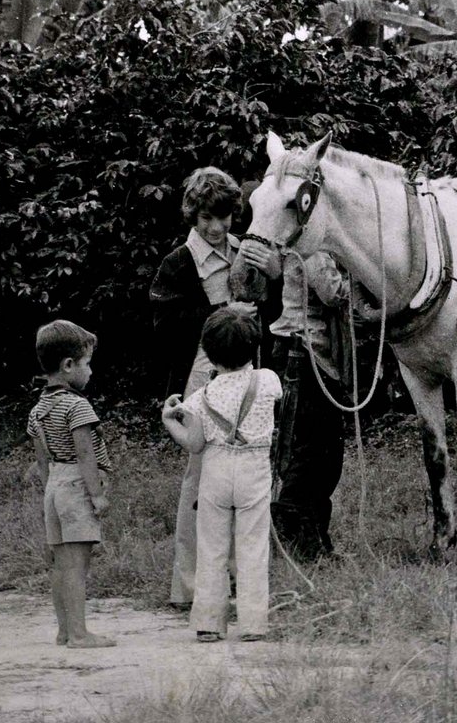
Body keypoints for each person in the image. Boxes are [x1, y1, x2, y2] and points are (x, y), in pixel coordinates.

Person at [149, 167, 280, 609]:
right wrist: (225, 310)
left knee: (247, 478)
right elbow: (164, 326)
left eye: (224, 217)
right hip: (199, 381)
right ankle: (189, 589)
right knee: (201, 482)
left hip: (247, 382)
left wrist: (273, 277)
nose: (216, 227)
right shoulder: (178, 263)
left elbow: (273, 313)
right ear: (192, 215)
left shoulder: (247, 252)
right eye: (207, 218)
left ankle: (241, 582)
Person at [161, 306, 281, 642]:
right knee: (252, 546)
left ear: (209, 354)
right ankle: (254, 623)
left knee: (211, 547)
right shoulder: (268, 380)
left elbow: (195, 444)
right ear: (254, 347)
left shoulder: (200, 397)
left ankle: (208, 623)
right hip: (253, 470)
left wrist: (169, 421)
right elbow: (278, 399)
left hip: (215, 470)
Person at [256, 245, 350, 561]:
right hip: (303, 353)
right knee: (312, 449)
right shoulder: (311, 250)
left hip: (313, 355)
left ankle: (313, 536)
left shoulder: (305, 247)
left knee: (325, 453)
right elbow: (332, 293)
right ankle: (293, 535)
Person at [26, 319, 115, 649]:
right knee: (78, 566)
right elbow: (85, 454)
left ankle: (64, 630)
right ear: (68, 366)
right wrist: (96, 495)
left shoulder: (39, 409)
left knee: (62, 566)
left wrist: (51, 491)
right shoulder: (77, 405)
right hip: (77, 484)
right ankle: (80, 634)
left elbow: (41, 460)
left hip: (54, 487)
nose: (90, 372)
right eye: (87, 364)